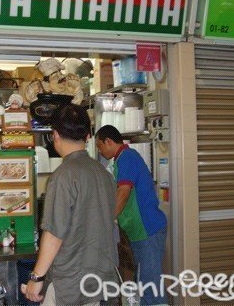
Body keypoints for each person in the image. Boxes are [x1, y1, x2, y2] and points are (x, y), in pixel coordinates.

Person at [22, 104, 118, 305]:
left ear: (54, 135)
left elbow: (54, 233)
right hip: (102, 279)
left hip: (71, 283)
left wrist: (36, 277)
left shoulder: (64, 175)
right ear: (88, 136)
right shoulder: (104, 174)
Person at [95, 125, 168, 306]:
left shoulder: (127, 157)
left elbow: (124, 193)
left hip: (147, 230)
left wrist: (108, 219)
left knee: (150, 287)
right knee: (144, 284)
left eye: (99, 146)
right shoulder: (121, 159)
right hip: (140, 233)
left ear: (109, 142)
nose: (99, 150)